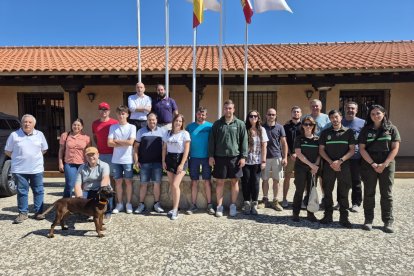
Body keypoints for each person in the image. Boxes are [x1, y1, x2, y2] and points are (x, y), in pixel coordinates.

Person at [359, 105, 400, 233]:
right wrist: (373, 164)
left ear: (383, 114)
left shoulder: (392, 129)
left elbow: (395, 148)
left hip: (387, 164)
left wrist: (385, 164)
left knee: (386, 194)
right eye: (372, 114)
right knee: (369, 193)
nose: (375, 116)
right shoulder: (366, 130)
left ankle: (388, 221)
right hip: (369, 164)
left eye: (378, 113)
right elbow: (362, 149)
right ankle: (368, 220)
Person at [5, 114, 48, 224]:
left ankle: (39, 213)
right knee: (22, 191)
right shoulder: (14, 135)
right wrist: (18, 158)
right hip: (20, 170)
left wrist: (33, 158)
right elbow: (8, 151)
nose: (27, 124)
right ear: (21, 123)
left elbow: (44, 149)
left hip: (36, 169)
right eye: (25, 122)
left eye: (29, 122)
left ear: (34, 124)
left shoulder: (40, 135)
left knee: (38, 190)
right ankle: (23, 213)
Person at [208, 99, 247, 217]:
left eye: (230, 108)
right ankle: (219, 207)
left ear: (233, 109)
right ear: (223, 109)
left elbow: (244, 141)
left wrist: (243, 157)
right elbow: (212, 141)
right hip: (219, 158)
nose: (228, 110)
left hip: (235, 158)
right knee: (220, 182)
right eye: (226, 108)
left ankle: (233, 206)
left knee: (234, 182)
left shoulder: (240, 124)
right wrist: (211, 156)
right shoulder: (217, 124)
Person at [319, 110, 356, 228]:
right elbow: (321, 150)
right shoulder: (325, 133)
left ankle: (344, 217)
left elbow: (352, 150)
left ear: (341, 117)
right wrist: (331, 162)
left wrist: (339, 161)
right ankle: (328, 215)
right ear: (329, 119)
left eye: (336, 117)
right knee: (328, 192)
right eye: (332, 118)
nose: (334, 120)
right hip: (329, 167)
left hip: (343, 166)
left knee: (343, 192)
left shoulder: (349, 132)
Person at [133, 113, 165, 214]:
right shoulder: (140, 131)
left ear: (157, 120)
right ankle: (141, 204)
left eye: (153, 120)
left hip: (157, 163)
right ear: (147, 120)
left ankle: (156, 204)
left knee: (157, 184)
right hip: (144, 163)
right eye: (150, 120)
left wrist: (164, 161)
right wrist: (136, 161)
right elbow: (135, 148)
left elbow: (165, 148)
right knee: (143, 184)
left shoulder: (162, 131)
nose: (152, 122)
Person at [185, 107, 215, 215]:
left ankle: (209, 205)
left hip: (207, 157)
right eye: (199, 114)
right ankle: (193, 205)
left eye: (203, 115)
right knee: (194, 182)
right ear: (196, 115)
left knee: (207, 181)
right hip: (193, 158)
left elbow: (214, 142)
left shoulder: (211, 126)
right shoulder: (189, 127)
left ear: (206, 115)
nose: (201, 116)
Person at [92, 102, 118, 221]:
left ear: (109, 111)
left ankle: (111, 208)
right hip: (101, 155)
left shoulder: (114, 123)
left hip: (113, 155)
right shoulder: (95, 123)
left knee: (111, 181)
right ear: (99, 111)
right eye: (101, 109)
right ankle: (103, 206)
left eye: (106, 110)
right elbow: (95, 137)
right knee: (102, 182)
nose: (104, 111)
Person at [108, 105, 136, 214]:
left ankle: (128, 204)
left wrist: (117, 141)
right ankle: (119, 204)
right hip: (116, 160)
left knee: (128, 182)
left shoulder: (132, 127)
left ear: (127, 115)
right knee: (118, 182)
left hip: (128, 159)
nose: (121, 115)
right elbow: (109, 143)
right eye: (119, 113)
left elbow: (131, 143)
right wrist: (124, 142)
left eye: (123, 113)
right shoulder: (113, 127)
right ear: (116, 115)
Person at [162, 114, 191, 220]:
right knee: (172, 185)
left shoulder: (185, 134)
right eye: (176, 120)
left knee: (175, 184)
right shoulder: (167, 133)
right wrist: (163, 161)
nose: (178, 123)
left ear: (182, 123)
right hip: (169, 159)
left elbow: (186, 150)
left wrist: (182, 164)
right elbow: (164, 148)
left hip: (180, 160)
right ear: (173, 121)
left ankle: (175, 210)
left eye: (180, 121)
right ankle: (176, 207)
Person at [292, 116, 320, 222]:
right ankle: (295, 213)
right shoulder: (299, 138)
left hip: (313, 170)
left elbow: (319, 154)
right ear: (302, 126)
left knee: (311, 191)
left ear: (314, 126)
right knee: (299, 190)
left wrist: (315, 166)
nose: (308, 126)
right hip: (301, 168)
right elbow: (299, 154)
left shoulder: (317, 139)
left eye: (310, 124)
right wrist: (311, 165)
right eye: (306, 124)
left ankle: (310, 213)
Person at [260, 108, 288, 211]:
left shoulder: (280, 127)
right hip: (265, 157)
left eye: (273, 114)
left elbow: (284, 143)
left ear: (275, 116)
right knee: (265, 179)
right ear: (266, 115)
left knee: (277, 180)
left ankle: (275, 201)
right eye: (269, 114)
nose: (271, 116)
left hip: (277, 156)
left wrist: (285, 157)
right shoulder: (261, 127)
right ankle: (265, 200)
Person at [241, 110, 268, 215]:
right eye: (251, 116)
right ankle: (247, 203)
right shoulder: (244, 129)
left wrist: (263, 161)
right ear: (248, 118)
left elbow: (264, 146)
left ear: (258, 118)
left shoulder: (262, 130)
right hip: (246, 161)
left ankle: (254, 204)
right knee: (246, 182)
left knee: (255, 182)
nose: (253, 118)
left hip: (257, 161)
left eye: (255, 116)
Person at [341, 101, 365, 212]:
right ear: (345, 109)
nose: (350, 110)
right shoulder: (340, 122)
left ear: (356, 110)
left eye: (352, 108)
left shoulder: (362, 123)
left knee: (356, 181)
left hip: (356, 156)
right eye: (348, 108)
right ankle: (340, 201)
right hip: (341, 157)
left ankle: (356, 203)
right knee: (341, 181)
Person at [58, 118, 91, 198]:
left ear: (82, 127)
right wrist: (60, 163)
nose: (76, 127)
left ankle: (81, 204)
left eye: (79, 125)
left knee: (83, 185)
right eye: (74, 125)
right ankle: (65, 203)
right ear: (72, 126)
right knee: (70, 184)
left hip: (83, 164)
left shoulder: (86, 138)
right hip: (69, 163)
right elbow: (61, 150)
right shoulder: (65, 135)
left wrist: (90, 164)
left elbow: (89, 152)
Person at [282, 106, 302, 208]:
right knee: (287, 178)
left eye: (298, 112)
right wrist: (290, 154)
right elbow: (284, 142)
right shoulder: (286, 127)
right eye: (294, 112)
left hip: (301, 157)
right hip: (290, 157)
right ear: (291, 113)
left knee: (302, 179)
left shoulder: (304, 125)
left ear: (301, 114)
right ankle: (284, 199)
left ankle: (301, 200)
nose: (296, 113)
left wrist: (298, 154)